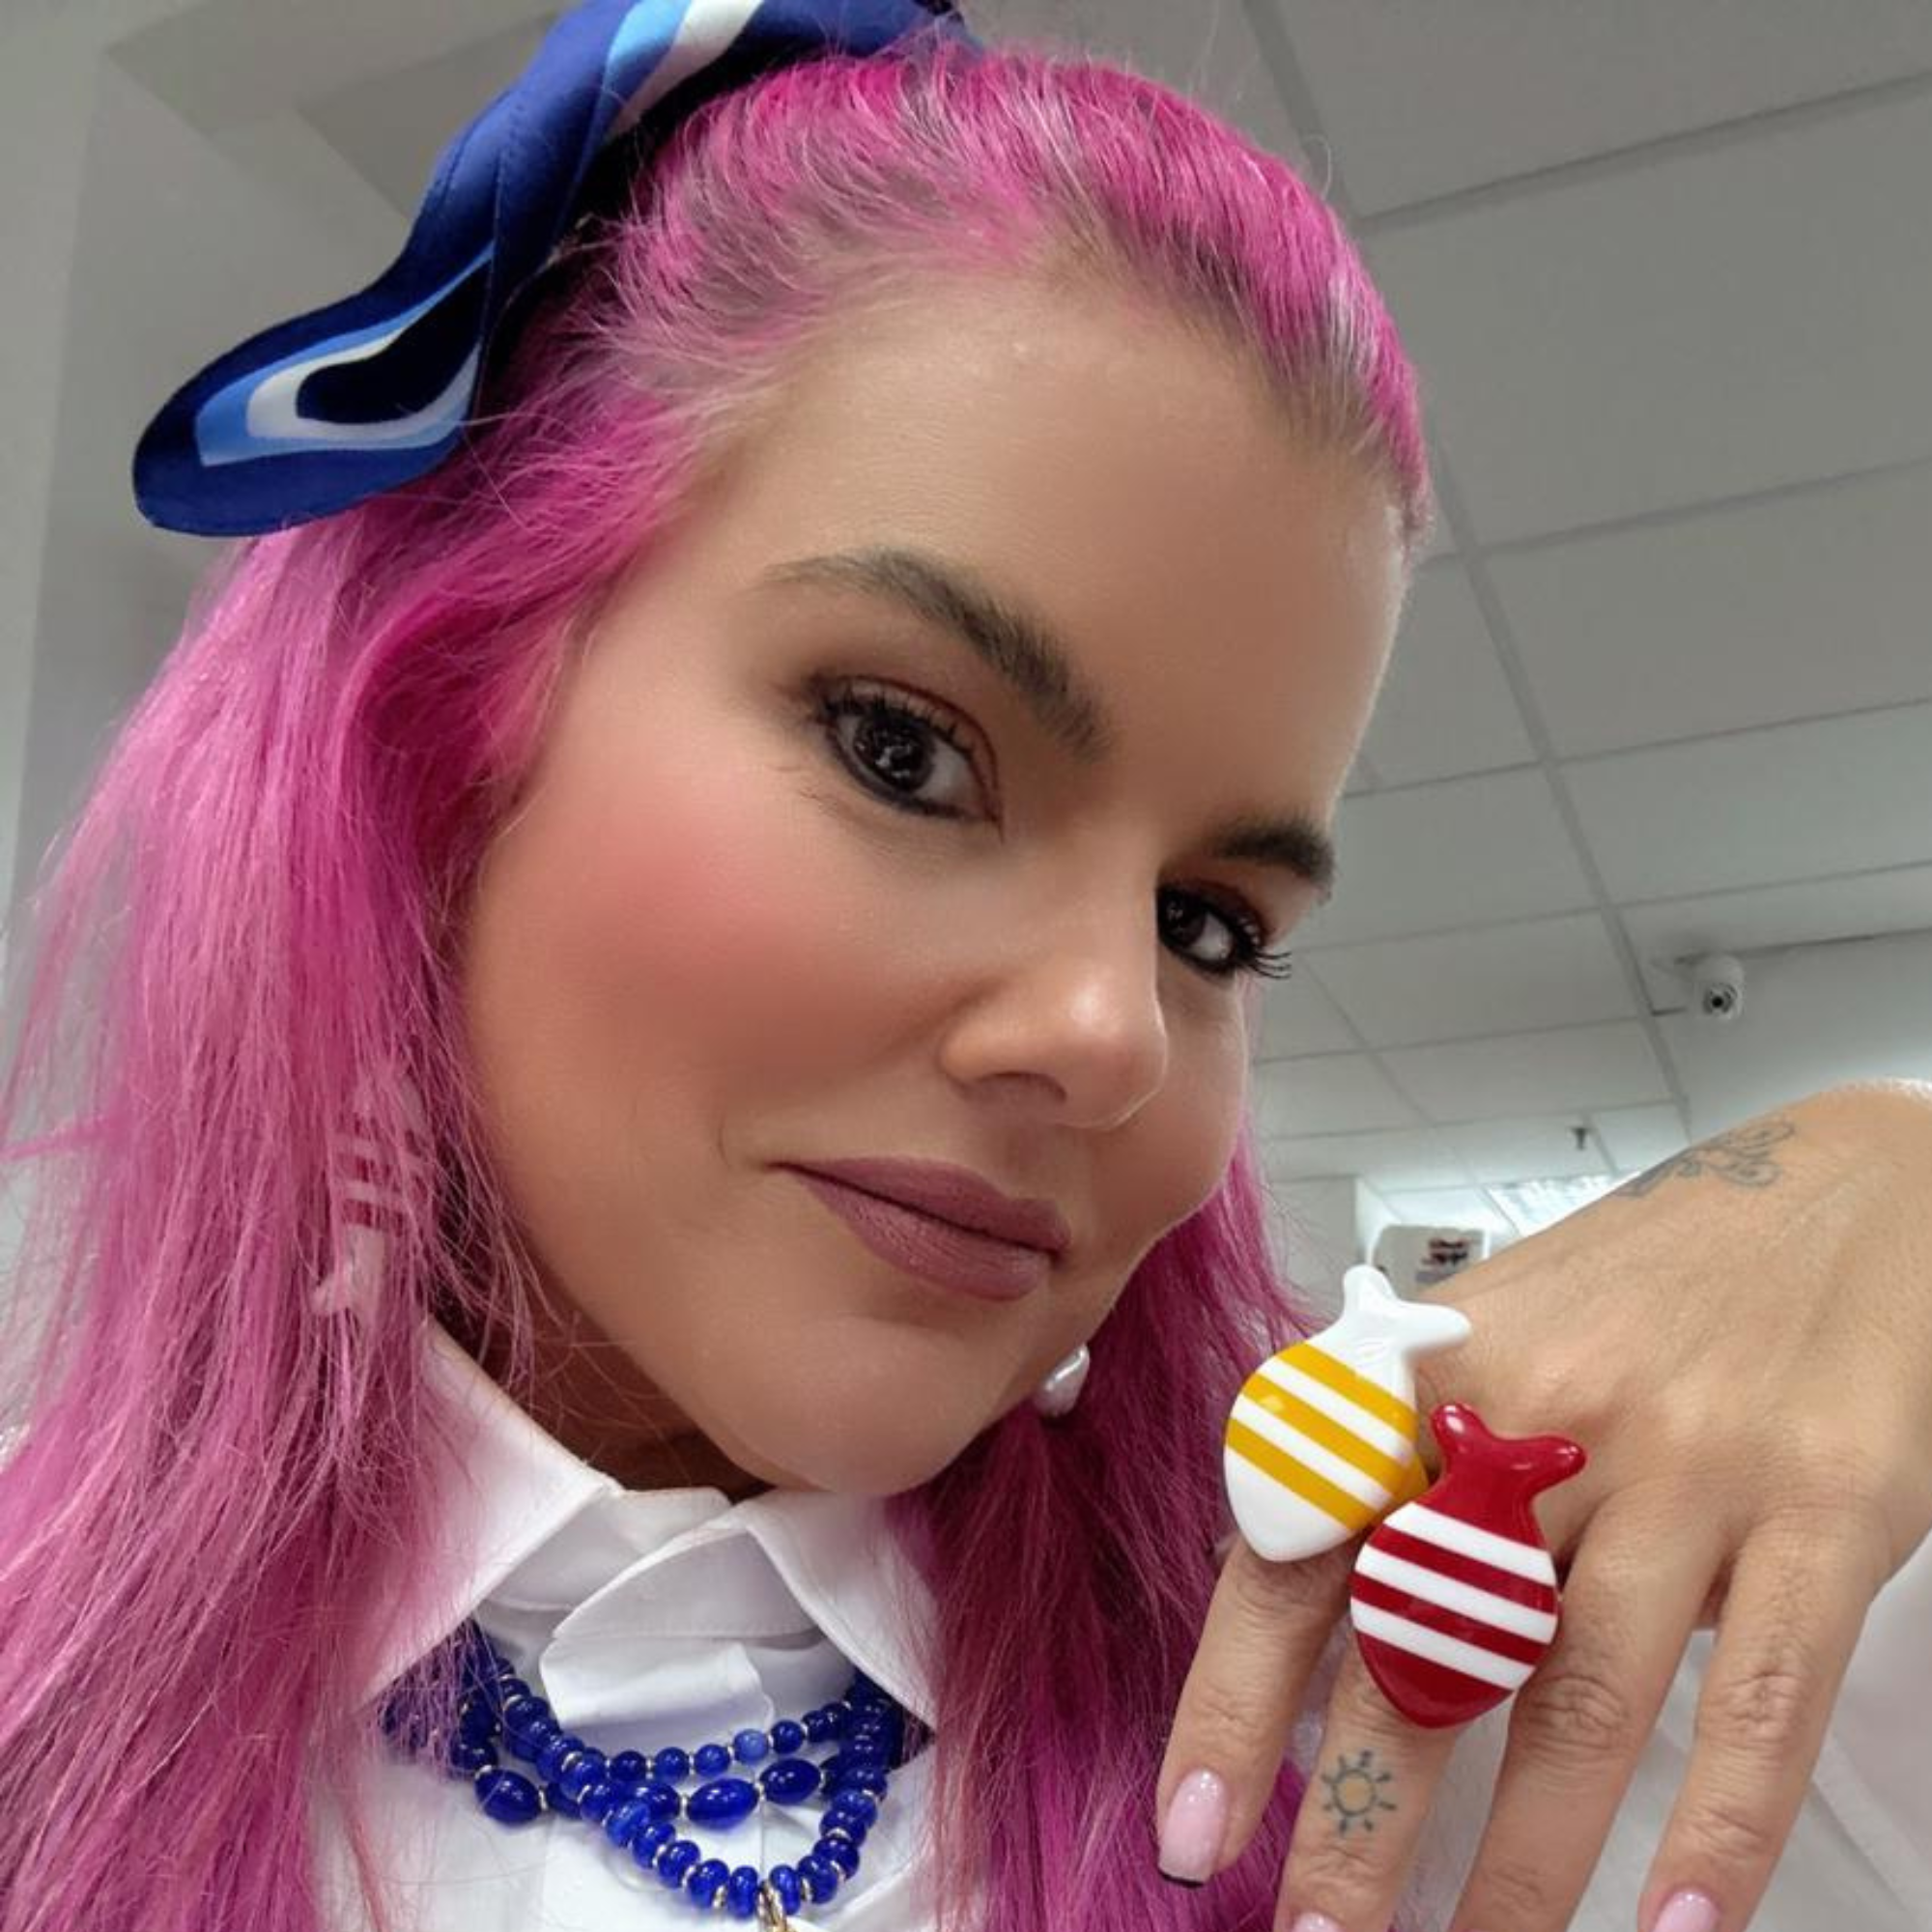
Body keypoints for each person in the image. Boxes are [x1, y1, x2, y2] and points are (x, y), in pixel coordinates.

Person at [0, 6, 1927, 1931]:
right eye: (903, 751)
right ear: (443, 750)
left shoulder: (1417, 1725)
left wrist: (1888, 1173)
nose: (1107, 1033)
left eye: (1207, 924)